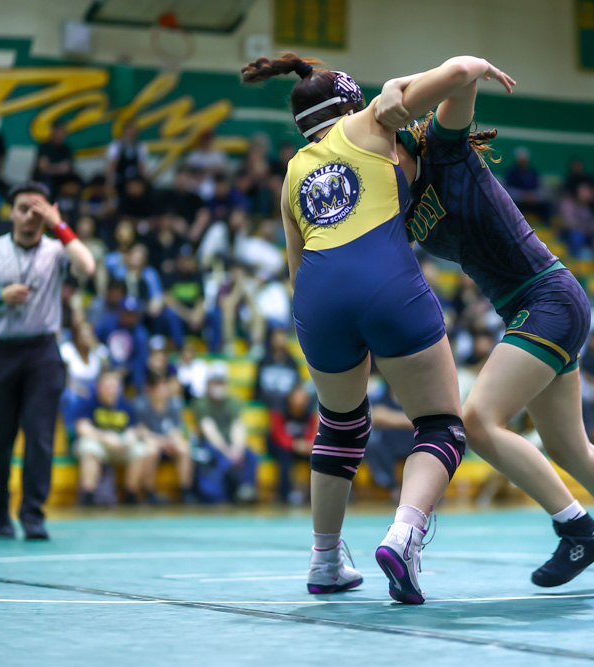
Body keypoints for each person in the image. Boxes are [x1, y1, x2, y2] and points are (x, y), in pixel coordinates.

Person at [379, 66, 594, 588]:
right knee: (568, 446)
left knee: (477, 421)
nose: (384, 168)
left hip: (547, 298)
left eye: (388, 157)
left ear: (407, 145)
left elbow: (464, 72)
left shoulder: (445, 149)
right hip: (535, 307)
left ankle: (577, 528)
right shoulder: (400, 209)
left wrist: (394, 90)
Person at [243, 53, 510, 603]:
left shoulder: (292, 172)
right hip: (385, 280)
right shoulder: (368, 122)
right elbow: (457, 73)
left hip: (317, 299)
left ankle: (324, 559)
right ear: (349, 104)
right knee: (441, 425)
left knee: (340, 426)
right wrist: (475, 65)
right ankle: (404, 533)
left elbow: (295, 268)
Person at [0, 182, 96, 539]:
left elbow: (87, 266)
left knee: (40, 437)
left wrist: (58, 223)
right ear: (11, 213)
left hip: (42, 353)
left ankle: (33, 514)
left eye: (38, 210)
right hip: (0, 351)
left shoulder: (56, 250)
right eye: (23, 209)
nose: (30, 217)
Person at [74, 370, 153, 505]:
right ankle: (88, 496)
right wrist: (104, 437)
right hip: (99, 443)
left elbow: (137, 428)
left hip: (121, 445)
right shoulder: (89, 403)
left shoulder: (126, 405)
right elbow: (82, 428)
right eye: (107, 385)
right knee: (89, 448)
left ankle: (130, 495)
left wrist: (130, 436)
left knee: (141, 450)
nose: (111, 388)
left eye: (114, 385)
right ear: (99, 386)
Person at [192, 362, 258, 503]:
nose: (218, 386)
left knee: (250, 456)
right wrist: (226, 450)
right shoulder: (202, 403)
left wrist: (237, 449)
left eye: (220, 382)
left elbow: (237, 426)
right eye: (215, 382)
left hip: (230, 444)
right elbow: (209, 429)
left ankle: (246, 489)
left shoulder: (232, 402)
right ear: (208, 383)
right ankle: (219, 495)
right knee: (222, 459)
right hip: (210, 444)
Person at [134, 374, 195, 504]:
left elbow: (177, 428)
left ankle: (186, 491)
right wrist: (161, 441)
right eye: (159, 388)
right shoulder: (141, 404)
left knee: (184, 448)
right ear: (151, 390)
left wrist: (173, 440)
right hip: (152, 442)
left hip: (168, 442)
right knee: (151, 450)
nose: (163, 391)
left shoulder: (174, 404)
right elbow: (141, 431)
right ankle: (149, 492)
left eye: (165, 387)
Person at [266, 384, 317, 504]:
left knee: (317, 458)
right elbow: (277, 434)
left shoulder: (310, 412)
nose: (301, 401)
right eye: (298, 397)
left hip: (302, 446)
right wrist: (294, 444)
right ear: (290, 398)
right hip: (279, 447)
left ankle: (315, 494)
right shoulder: (279, 409)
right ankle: (284, 495)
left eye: (304, 398)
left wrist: (308, 444)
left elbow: (312, 431)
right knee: (284, 461)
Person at [254, 326, 302, 411]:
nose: (280, 342)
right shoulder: (263, 361)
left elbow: (296, 386)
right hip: (267, 402)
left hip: (287, 404)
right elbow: (258, 387)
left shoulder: (292, 363)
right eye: (277, 339)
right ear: (272, 340)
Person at [105, 121, 148, 193]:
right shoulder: (116, 145)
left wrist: (145, 181)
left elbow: (141, 166)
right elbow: (112, 165)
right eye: (129, 129)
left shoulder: (140, 146)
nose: (131, 132)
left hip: (134, 180)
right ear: (124, 131)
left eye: (133, 130)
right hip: (120, 180)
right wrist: (109, 182)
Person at [32, 123, 74, 191]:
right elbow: (43, 168)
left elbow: (67, 168)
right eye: (58, 132)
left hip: (62, 179)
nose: (60, 135)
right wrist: (59, 168)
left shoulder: (66, 148)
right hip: (45, 179)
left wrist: (51, 167)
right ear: (53, 133)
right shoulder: (44, 146)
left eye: (62, 132)